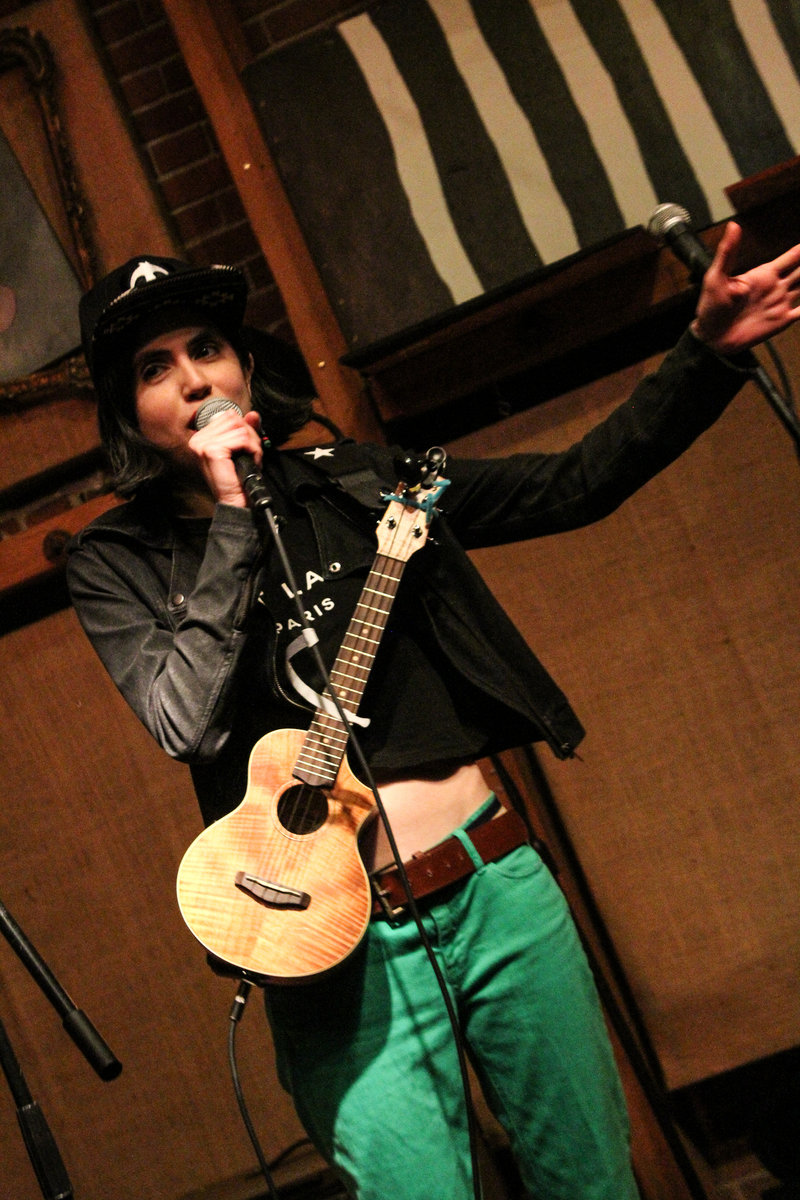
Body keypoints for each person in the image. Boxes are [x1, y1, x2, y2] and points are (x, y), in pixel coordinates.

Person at [67, 226, 800, 1200]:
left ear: (243, 363)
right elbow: (184, 723)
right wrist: (233, 514)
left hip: (490, 883)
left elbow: (575, 482)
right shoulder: (115, 561)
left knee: (592, 1183)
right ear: (128, 408)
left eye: (207, 349)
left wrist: (704, 351)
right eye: (155, 368)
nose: (195, 379)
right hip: (326, 943)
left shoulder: (358, 478)